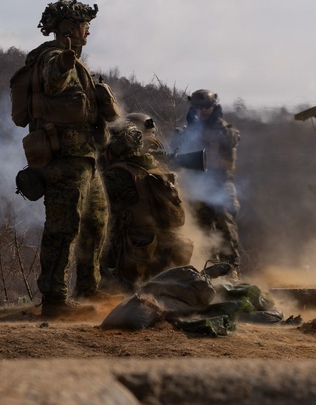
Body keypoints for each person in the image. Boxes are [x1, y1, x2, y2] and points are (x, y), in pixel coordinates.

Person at [17, 0, 120, 318]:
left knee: (96, 222)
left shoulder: (74, 61)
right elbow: (53, 80)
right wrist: (64, 61)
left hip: (84, 158)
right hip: (65, 161)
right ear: (71, 28)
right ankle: (54, 296)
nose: (88, 32)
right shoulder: (53, 58)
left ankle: (88, 287)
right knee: (64, 228)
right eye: (85, 26)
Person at [100, 120, 193, 293]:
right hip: (170, 252)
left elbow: (99, 213)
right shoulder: (158, 168)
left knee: (94, 237)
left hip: (136, 253)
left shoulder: (116, 174)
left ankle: (106, 291)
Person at [171, 89, 242, 273]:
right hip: (196, 186)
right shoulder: (188, 129)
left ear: (213, 106)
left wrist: (213, 132)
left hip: (220, 184)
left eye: (207, 106)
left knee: (225, 229)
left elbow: (234, 137)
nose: (203, 110)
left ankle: (232, 271)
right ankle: (207, 272)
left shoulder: (223, 128)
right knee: (201, 232)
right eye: (198, 107)